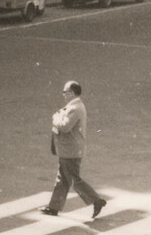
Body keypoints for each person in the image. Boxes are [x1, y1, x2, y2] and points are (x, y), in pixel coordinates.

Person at [42, 79, 107, 220]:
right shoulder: (76, 106)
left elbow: (65, 126)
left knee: (73, 179)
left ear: (72, 93)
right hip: (70, 149)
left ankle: (96, 200)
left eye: (65, 92)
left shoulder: (74, 108)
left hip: (70, 150)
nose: (64, 95)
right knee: (63, 178)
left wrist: (55, 118)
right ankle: (53, 207)